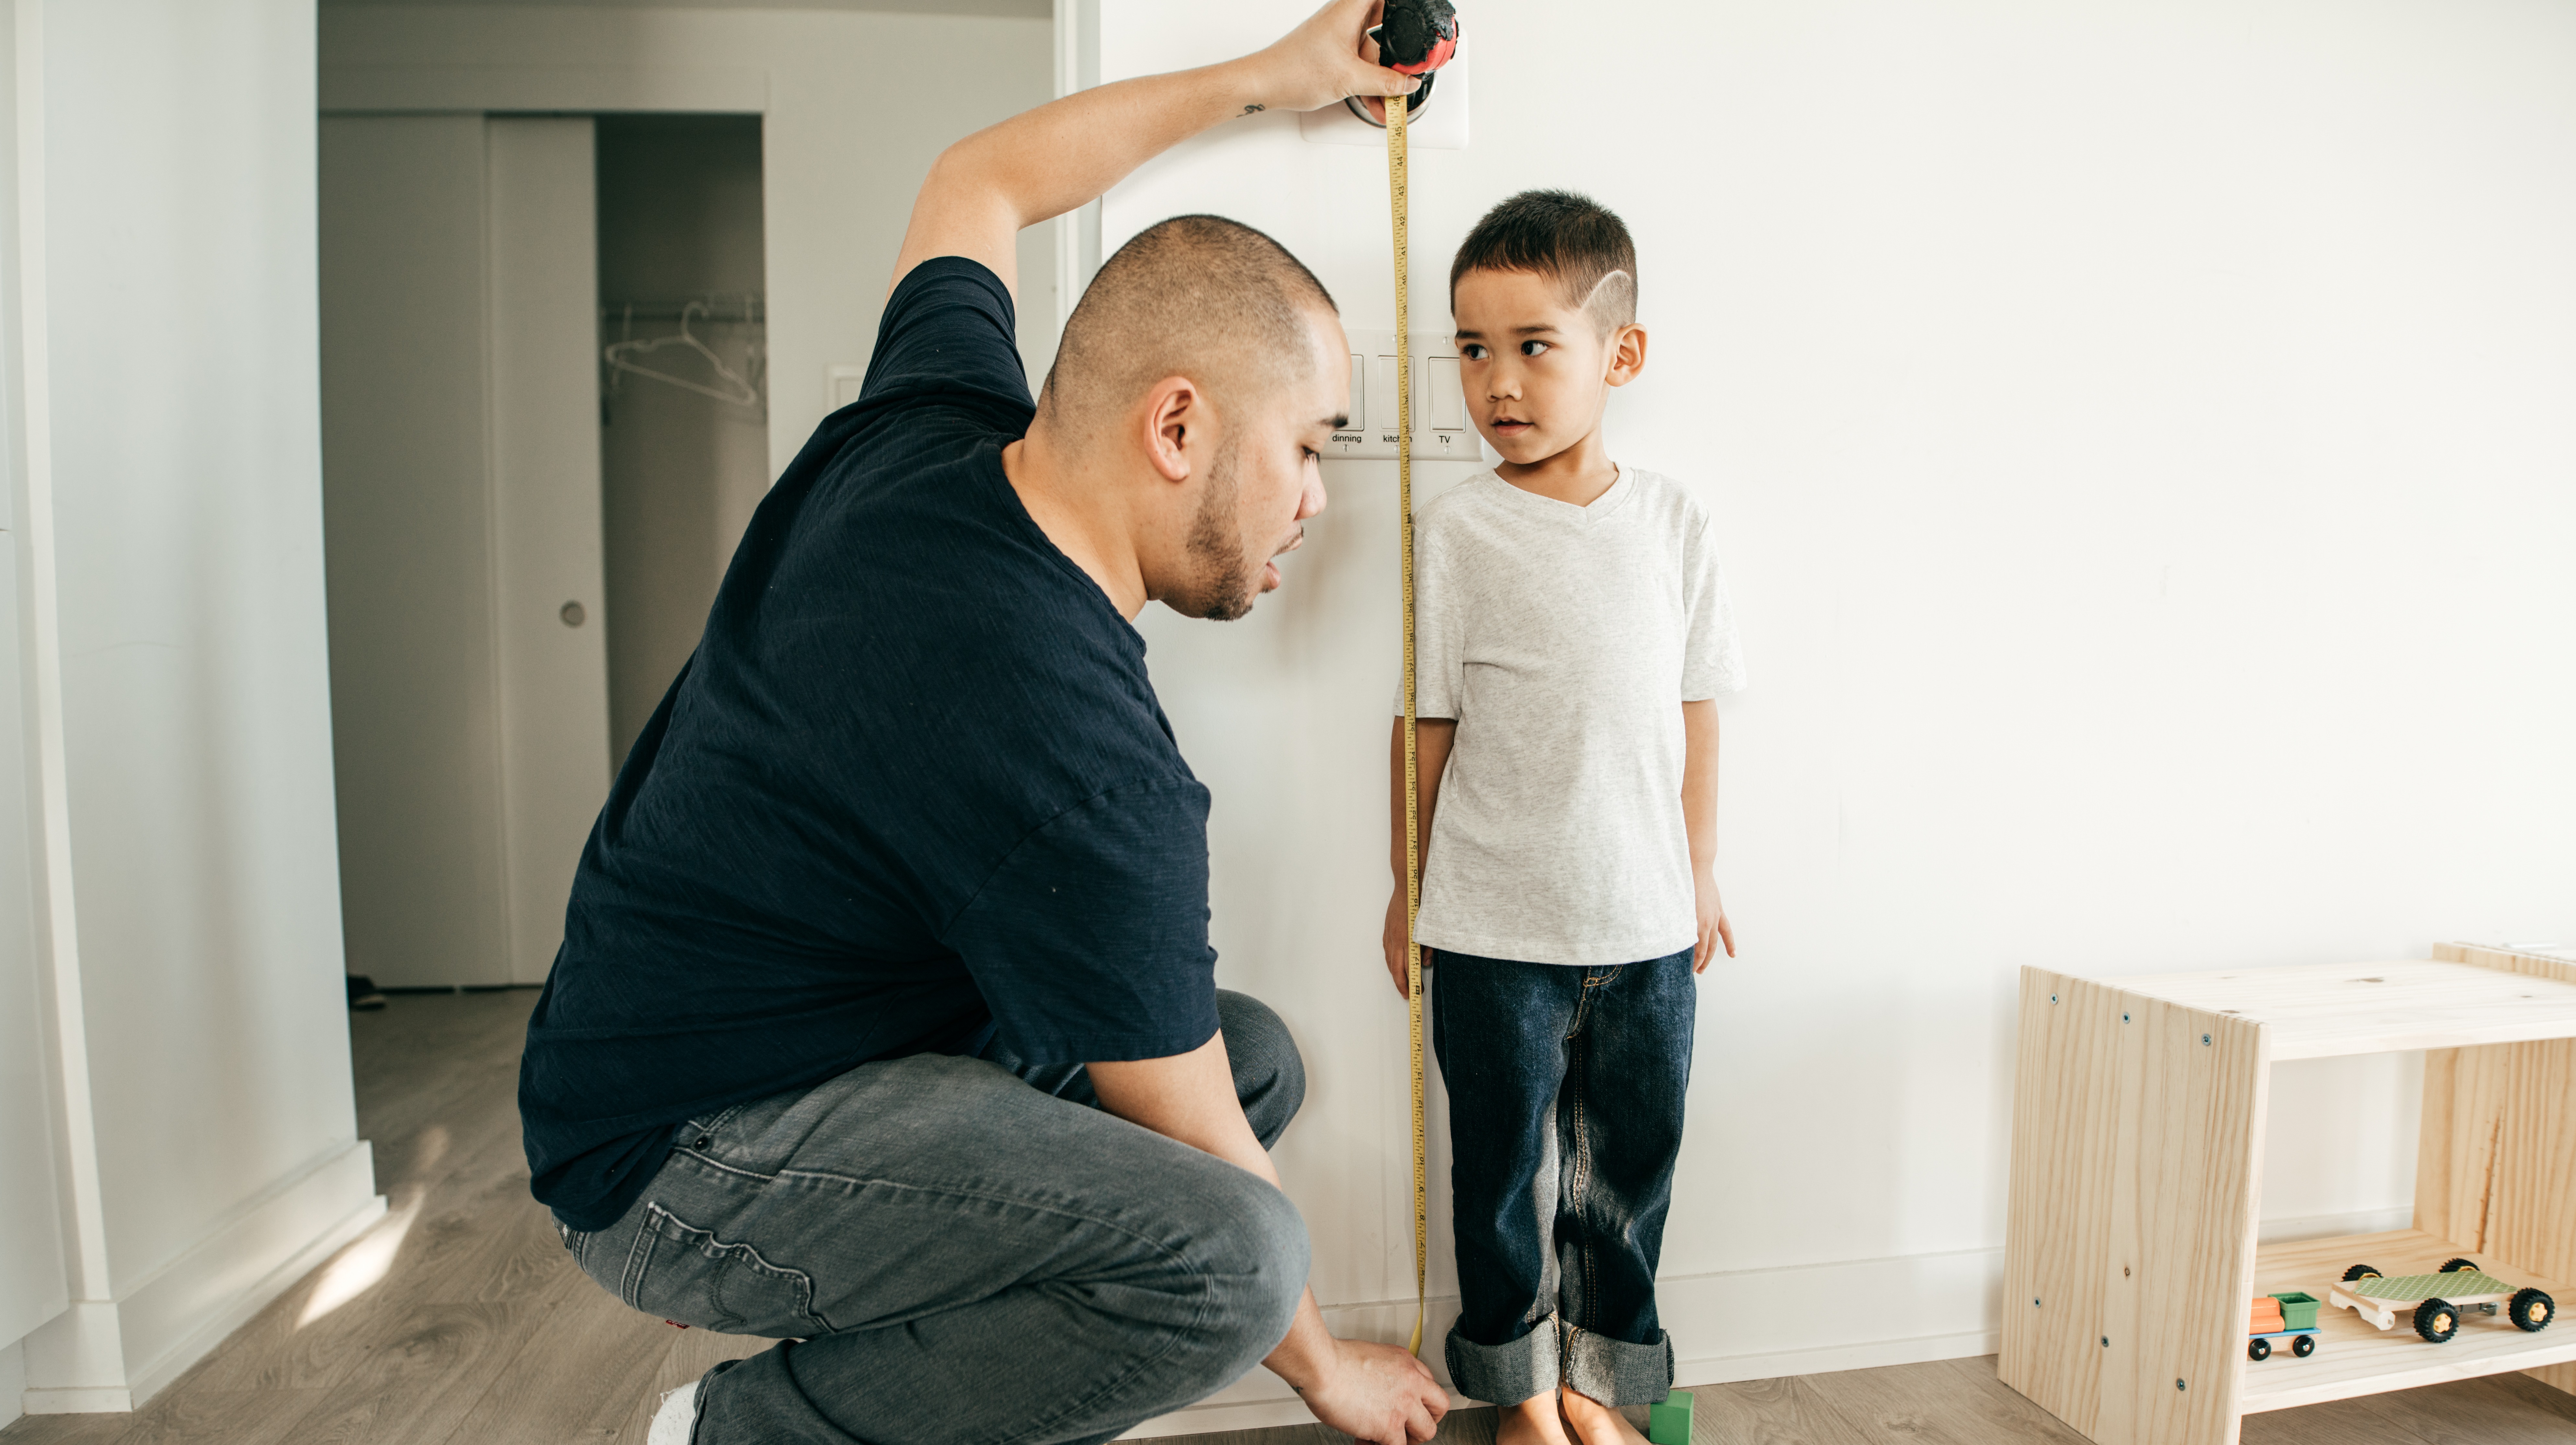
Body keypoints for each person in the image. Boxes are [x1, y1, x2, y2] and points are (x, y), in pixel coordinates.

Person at [515, 6, 1453, 1443]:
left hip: (738, 1047)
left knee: (1243, 1053)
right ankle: (732, 1431)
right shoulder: (1076, 754)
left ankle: (862, 1315)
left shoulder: (932, 421)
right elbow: (1216, 1201)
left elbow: (979, 180)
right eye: (1309, 446)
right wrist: (1332, 1375)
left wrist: (1273, 78)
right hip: (671, 1145)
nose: (1318, 498)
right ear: (1179, 426)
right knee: (1238, 1261)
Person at [1380, 191, 1746, 1445]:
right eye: (1471, 351)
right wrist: (1402, 888)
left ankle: (1603, 1389)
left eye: (1532, 346)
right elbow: (1420, 731)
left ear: (1618, 355)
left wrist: (1698, 872)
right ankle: (1519, 1395)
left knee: (1625, 1175)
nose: (1497, 382)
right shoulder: (1456, 533)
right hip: (1488, 928)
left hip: (1644, 926)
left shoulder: (1673, 527)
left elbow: (1698, 713)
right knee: (1496, 1179)